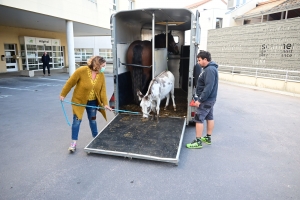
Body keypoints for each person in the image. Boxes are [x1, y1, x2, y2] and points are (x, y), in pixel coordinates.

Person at [59, 56, 112, 152]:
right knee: (77, 121)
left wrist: (105, 104)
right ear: (97, 65)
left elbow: (102, 91)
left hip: (92, 102)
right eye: (103, 66)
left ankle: (96, 138)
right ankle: (73, 143)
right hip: (79, 100)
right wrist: (63, 94)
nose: (105, 67)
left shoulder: (101, 75)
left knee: (92, 120)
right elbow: (70, 82)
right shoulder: (82, 70)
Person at [186, 51, 218, 149]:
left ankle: (198, 141)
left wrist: (199, 100)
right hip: (210, 99)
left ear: (205, 59)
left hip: (205, 100)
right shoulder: (209, 69)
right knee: (209, 117)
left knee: (199, 119)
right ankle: (208, 138)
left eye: (199, 60)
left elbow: (208, 87)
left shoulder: (209, 70)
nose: (198, 62)